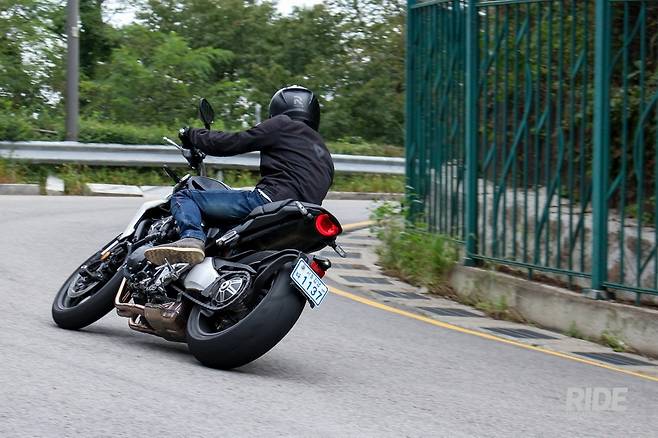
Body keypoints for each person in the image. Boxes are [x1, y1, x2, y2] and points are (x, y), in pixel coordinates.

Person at [144, 85, 335, 266]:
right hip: (304, 218)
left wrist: (192, 134)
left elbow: (231, 142)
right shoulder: (324, 153)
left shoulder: (282, 124)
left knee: (184, 196)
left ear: (278, 109)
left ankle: (192, 238)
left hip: (271, 201)